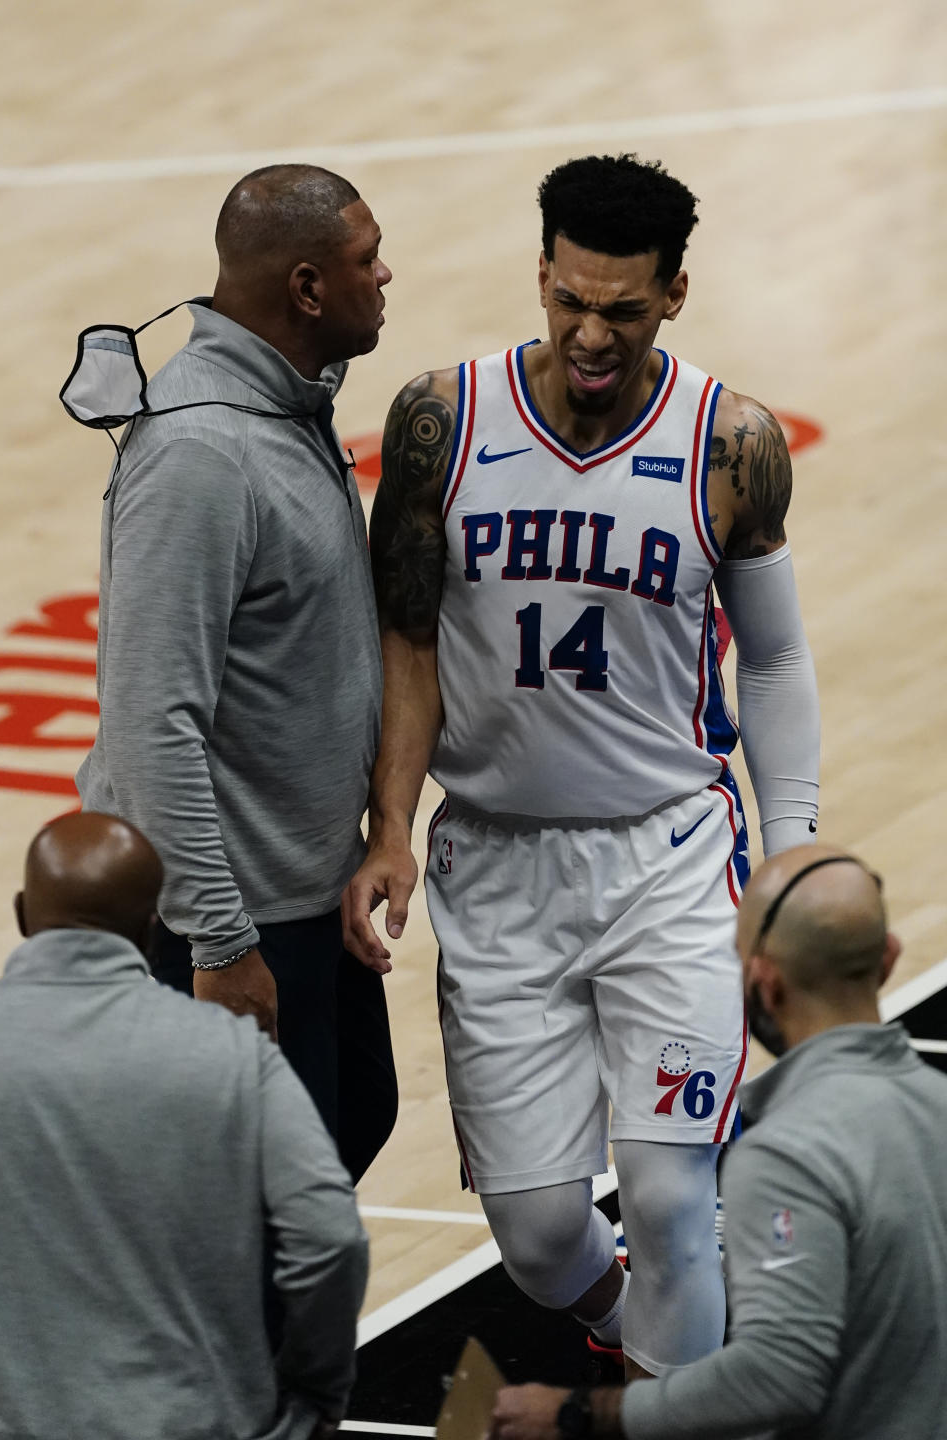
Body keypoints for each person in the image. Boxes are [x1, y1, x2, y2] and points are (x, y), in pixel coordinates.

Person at [344, 154, 820, 1375]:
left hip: (668, 854)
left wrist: (795, 846)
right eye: (569, 300)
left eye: (622, 308)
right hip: (496, 864)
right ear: (542, 275)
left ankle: (677, 1401)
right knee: (543, 1239)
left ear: (675, 295)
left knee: (668, 1203)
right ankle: (638, 1352)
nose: (589, 332)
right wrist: (390, 824)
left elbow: (770, 663)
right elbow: (406, 632)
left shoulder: (732, 443)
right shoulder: (442, 422)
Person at [76, 163, 397, 1182]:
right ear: (306, 289)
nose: (387, 276)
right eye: (364, 260)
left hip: (305, 895)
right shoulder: (200, 455)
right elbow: (146, 721)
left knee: (353, 1128)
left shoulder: (289, 407)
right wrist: (218, 945)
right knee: (249, 1223)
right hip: (222, 923)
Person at [489, 844, 947, 1439]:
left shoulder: (783, 1155)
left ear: (762, 980)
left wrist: (577, 1414)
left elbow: (781, 1376)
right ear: (888, 960)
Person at [0, 812, 368, 1440]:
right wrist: (314, 1392)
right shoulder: (234, 1054)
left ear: (24, 916)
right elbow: (329, 1238)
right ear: (148, 932)